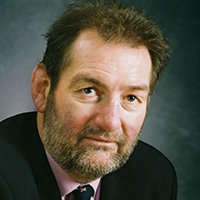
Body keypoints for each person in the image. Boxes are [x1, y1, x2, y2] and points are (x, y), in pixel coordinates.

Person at [0, 1, 177, 200]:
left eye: (131, 97)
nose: (110, 122)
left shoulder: (155, 177)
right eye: (89, 90)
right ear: (42, 89)